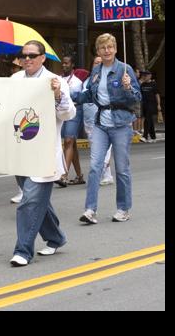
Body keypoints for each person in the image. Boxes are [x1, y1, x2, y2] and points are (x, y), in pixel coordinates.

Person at [9, 41, 76, 266]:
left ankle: (23, 251)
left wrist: (57, 95)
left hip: (44, 154)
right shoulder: (14, 80)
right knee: (38, 201)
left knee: (29, 202)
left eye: (32, 55)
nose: (27, 59)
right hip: (20, 151)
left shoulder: (55, 81)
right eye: (23, 55)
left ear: (43, 57)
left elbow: (68, 114)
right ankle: (56, 237)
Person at [76, 33, 141, 224]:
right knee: (95, 167)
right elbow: (88, 95)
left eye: (110, 47)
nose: (107, 50)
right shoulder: (96, 70)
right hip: (101, 124)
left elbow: (137, 98)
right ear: (98, 51)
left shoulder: (125, 69)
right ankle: (90, 210)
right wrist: (65, 95)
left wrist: (128, 88)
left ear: (115, 49)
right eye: (103, 48)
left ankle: (123, 209)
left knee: (122, 169)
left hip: (121, 124)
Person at [81, 56, 114, 185]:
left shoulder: (107, 79)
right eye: (96, 63)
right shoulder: (87, 81)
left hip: (103, 120)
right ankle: (108, 176)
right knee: (96, 149)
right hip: (89, 121)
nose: (98, 65)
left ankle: (97, 173)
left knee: (102, 148)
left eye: (100, 63)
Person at [56, 55, 85, 187]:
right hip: (61, 112)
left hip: (75, 111)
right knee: (71, 144)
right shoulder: (58, 79)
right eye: (63, 63)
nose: (64, 65)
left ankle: (63, 175)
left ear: (72, 65)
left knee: (68, 141)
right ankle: (79, 176)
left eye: (67, 63)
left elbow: (77, 98)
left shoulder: (77, 82)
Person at [9, 56, 25, 204]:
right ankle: (21, 190)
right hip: (16, 121)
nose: (14, 69)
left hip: (31, 123)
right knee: (17, 157)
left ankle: (29, 191)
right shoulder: (15, 78)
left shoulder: (46, 78)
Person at [140, 71, 161, 142]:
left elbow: (157, 95)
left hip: (152, 104)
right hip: (144, 104)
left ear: (150, 76)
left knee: (147, 119)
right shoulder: (142, 85)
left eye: (146, 75)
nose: (144, 77)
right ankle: (153, 137)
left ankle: (145, 136)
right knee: (150, 120)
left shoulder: (153, 84)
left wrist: (158, 105)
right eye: (144, 75)